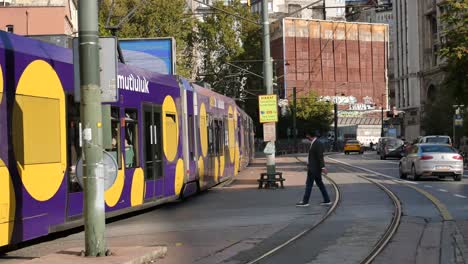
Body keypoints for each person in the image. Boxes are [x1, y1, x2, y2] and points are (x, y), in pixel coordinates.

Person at [296, 130, 331, 207]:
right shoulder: (314, 143)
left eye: (307, 135)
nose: (306, 137)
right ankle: (327, 200)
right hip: (314, 168)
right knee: (320, 184)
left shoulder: (317, 144)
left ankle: (305, 201)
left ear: (310, 135)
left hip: (314, 169)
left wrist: (323, 167)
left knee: (309, 185)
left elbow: (320, 156)